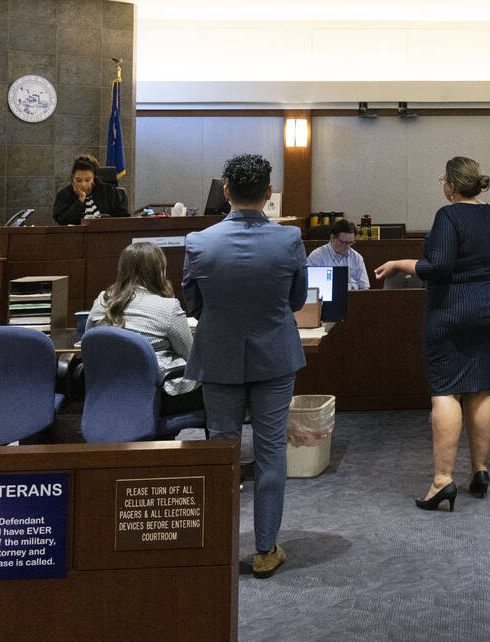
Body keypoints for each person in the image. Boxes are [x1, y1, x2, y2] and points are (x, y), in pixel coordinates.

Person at [182, 153, 307, 578]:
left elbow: (193, 304)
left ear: (226, 192)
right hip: (275, 357)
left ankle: (219, 545)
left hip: (217, 358)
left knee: (222, 450)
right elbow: (296, 301)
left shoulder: (198, 242)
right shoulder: (289, 240)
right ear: (269, 194)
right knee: (271, 453)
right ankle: (266, 550)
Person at [373, 156, 490, 511]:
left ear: (451, 184)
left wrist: (400, 263)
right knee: (481, 387)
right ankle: (480, 471)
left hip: (452, 309)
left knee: (446, 391)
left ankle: (441, 482)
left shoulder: (447, 215)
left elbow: (437, 268)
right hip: (488, 308)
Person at [86, 242, 203, 414]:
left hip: (111, 391)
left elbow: (88, 339)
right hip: (158, 395)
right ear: (159, 271)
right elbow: (192, 357)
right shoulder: (168, 307)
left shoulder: (102, 301)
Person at [53, 155, 128, 225]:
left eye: (87, 180)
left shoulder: (108, 191)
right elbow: (62, 221)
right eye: (78, 180)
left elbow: (123, 216)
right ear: (72, 177)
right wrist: (80, 200)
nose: (83, 184)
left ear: (94, 178)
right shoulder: (65, 194)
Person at [306, 218, 370, 291]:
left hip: (352, 298)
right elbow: (309, 288)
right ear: (332, 238)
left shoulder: (357, 257)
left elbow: (364, 287)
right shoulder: (316, 257)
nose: (347, 247)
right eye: (343, 242)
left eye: (350, 243)